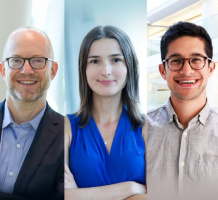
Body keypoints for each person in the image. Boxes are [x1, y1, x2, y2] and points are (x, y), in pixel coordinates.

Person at [147, 21, 218, 199]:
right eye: (176, 61)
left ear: (211, 68)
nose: (187, 70)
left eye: (196, 60)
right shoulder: (140, 130)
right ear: (163, 70)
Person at [64, 26, 146, 200]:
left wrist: (79, 195)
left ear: (130, 66)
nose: (106, 71)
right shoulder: (65, 127)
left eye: (116, 60)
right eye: (94, 61)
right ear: (83, 70)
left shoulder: (149, 129)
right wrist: (132, 188)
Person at [0, 27, 63, 200]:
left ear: (53, 70)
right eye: (16, 60)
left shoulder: (72, 136)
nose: (26, 70)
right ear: (3, 70)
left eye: (37, 60)